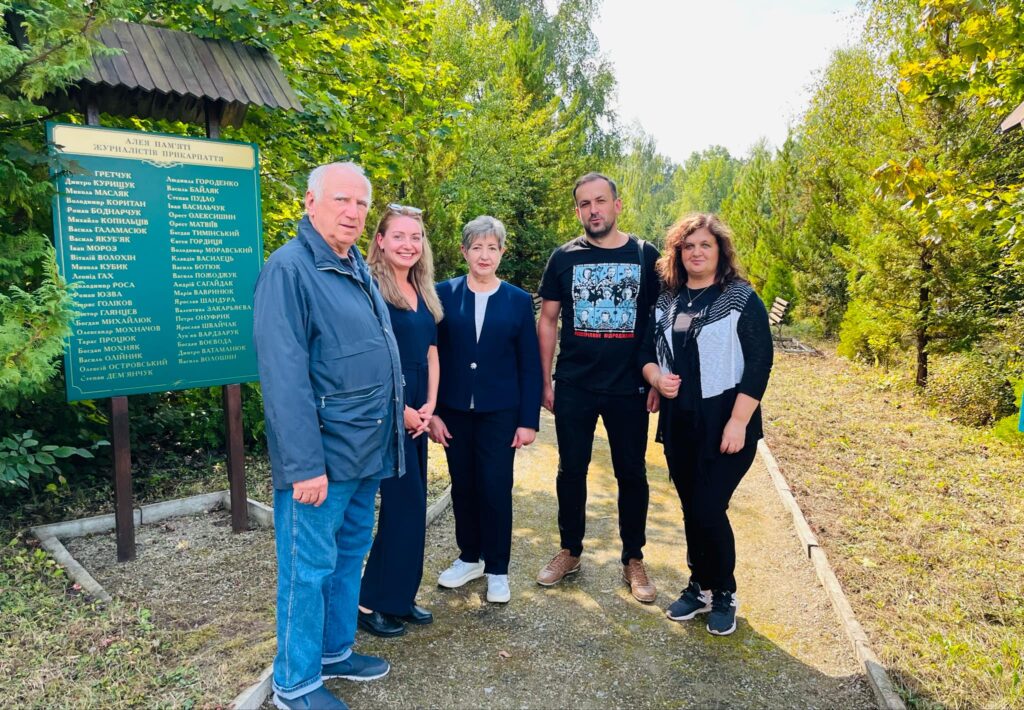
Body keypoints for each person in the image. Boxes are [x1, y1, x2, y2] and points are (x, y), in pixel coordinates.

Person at [253, 162, 404, 710]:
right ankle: (294, 681)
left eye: (361, 204)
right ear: (309, 204)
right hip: (322, 459)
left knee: (348, 557)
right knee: (306, 570)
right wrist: (303, 466)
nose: (353, 213)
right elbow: (284, 376)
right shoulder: (289, 269)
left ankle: (335, 651)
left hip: (365, 449)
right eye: (341, 200)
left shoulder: (353, 264)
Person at [639, 212, 773, 636]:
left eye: (705, 245)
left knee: (709, 508)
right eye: (688, 246)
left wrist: (738, 422)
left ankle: (725, 591)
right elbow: (645, 354)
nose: (697, 252)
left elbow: (759, 364)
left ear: (720, 251)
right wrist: (657, 378)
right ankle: (699, 586)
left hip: (726, 424)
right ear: (678, 253)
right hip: (680, 424)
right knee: (691, 508)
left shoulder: (738, 298)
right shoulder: (668, 300)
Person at [536, 172, 661, 603]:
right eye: (585, 204)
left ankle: (633, 559)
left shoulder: (646, 256)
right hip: (574, 384)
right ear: (578, 211)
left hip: (628, 387)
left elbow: (658, 323)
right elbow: (548, 320)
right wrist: (545, 379)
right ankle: (570, 551)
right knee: (571, 470)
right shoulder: (563, 258)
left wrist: (656, 377)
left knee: (632, 474)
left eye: (600, 201)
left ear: (617, 205)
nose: (593, 210)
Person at [429, 216, 542, 604]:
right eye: (476, 247)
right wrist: (434, 413)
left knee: (496, 488)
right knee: (464, 486)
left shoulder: (518, 300)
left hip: (500, 413)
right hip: (454, 412)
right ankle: (469, 557)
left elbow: (529, 364)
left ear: (502, 252)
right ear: (464, 251)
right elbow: (433, 358)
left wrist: (528, 421)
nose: (484, 255)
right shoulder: (442, 294)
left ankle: (497, 568)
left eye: (492, 247)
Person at [356, 204, 443, 638]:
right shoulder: (370, 288)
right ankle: (369, 601)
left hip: (417, 411)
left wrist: (429, 405)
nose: (408, 244)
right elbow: (370, 359)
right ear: (381, 241)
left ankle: (401, 596)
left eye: (416, 237)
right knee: (400, 507)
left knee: (413, 508)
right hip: (386, 410)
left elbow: (431, 350)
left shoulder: (424, 289)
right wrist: (403, 408)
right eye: (400, 236)